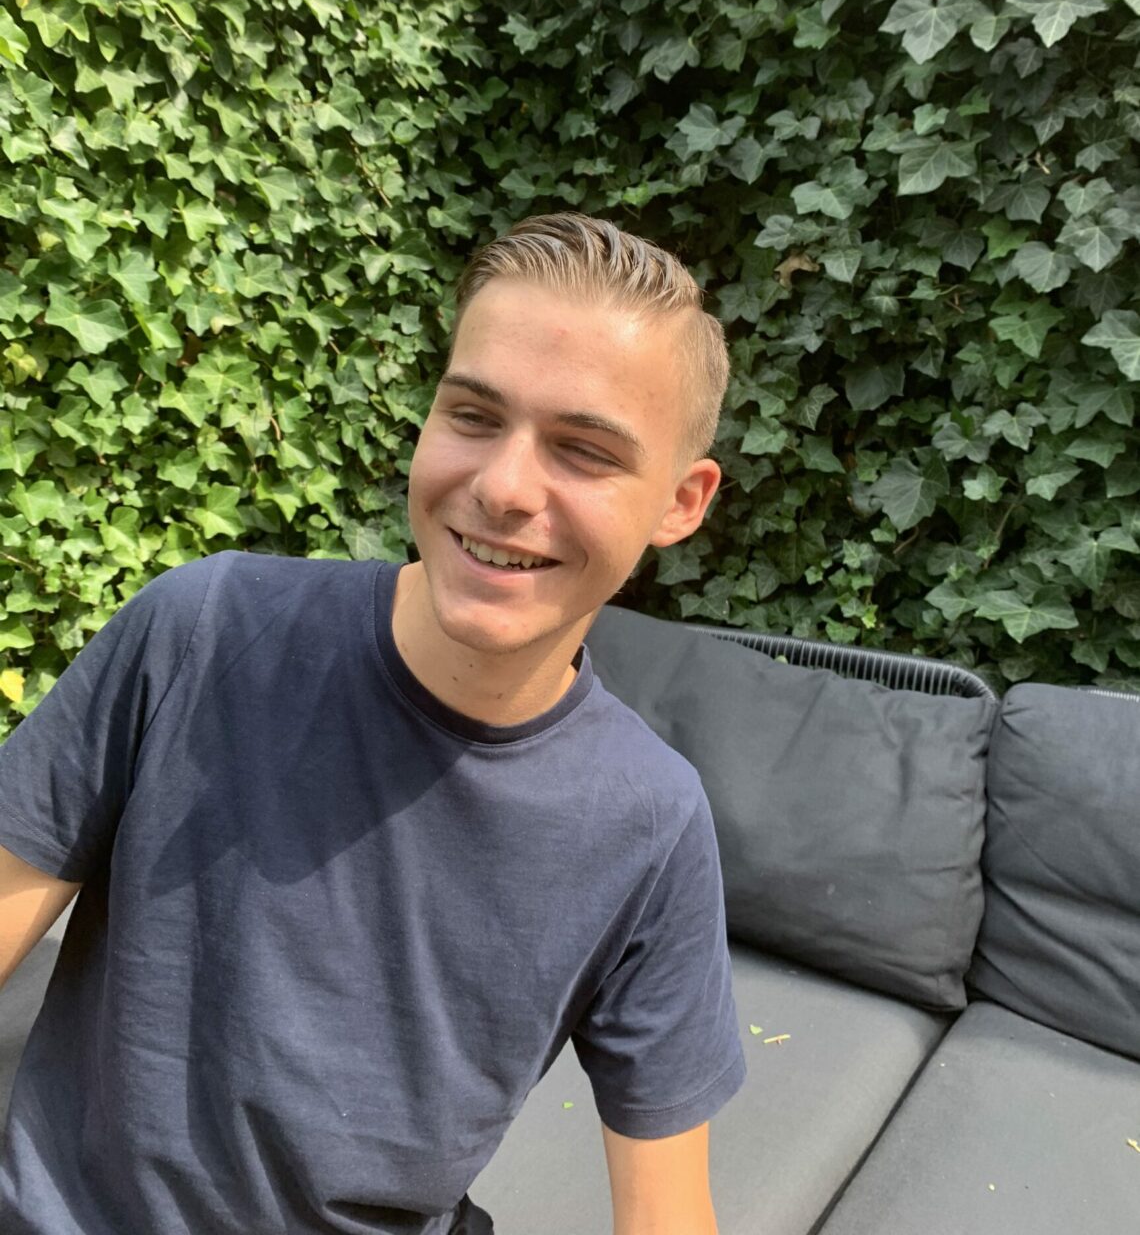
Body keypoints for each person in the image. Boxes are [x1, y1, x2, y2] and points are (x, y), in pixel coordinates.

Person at [0, 212, 745, 1235]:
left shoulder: (651, 823)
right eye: (473, 415)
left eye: (583, 450)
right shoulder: (203, 631)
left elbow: (668, 1215)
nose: (502, 487)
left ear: (681, 502)